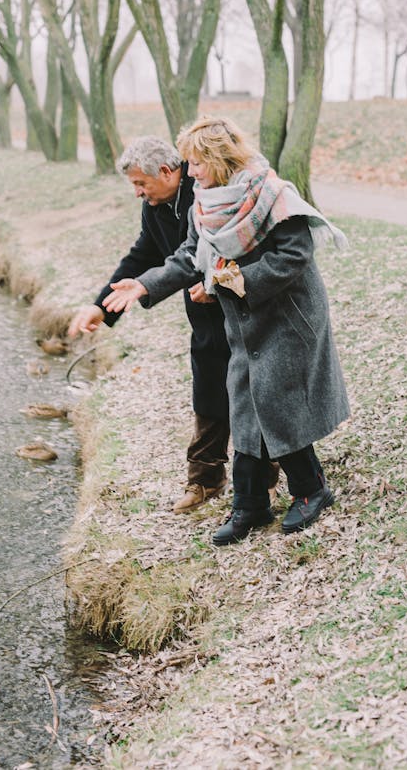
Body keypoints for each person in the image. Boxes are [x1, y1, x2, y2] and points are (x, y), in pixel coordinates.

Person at [102, 115, 350, 547]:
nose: (190, 172)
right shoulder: (207, 201)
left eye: (196, 163)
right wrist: (145, 283)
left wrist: (231, 281)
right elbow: (189, 255)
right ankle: (250, 506)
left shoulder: (273, 195)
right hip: (243, 322)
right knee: (244, 403)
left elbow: (294, 256)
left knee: (276, 401)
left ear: (217, 158)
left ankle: (312, 490)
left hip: (286, 317)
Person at [68, 137, 234, 513]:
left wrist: (214, 284)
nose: (138, 193)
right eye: (133, 185)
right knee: (208, 390)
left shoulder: (206, 191)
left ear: (167, 171)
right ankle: (205, 480)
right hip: (204, 317)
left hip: (242, 308)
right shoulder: (156, 206)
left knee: (252, 394)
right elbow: (143, 254)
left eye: (141, 183)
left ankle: (266, 479)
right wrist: (102, 308)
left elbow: (228, 248)